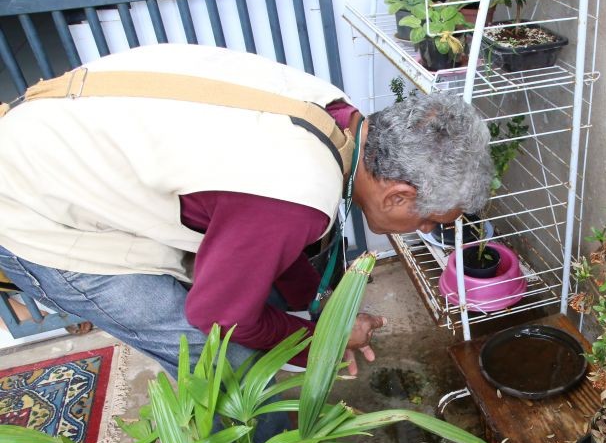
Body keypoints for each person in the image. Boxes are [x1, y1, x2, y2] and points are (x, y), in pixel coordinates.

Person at [0, 44, 492, 410]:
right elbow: (217, 314)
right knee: (231, 365)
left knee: (256, 316)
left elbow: (278, 245)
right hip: (34, 206)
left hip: (50, 127)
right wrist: (318, 344)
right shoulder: (291, 192)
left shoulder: (336, 117)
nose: (420, 228)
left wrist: (321, 317)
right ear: (398, 195)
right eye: (427, 219)